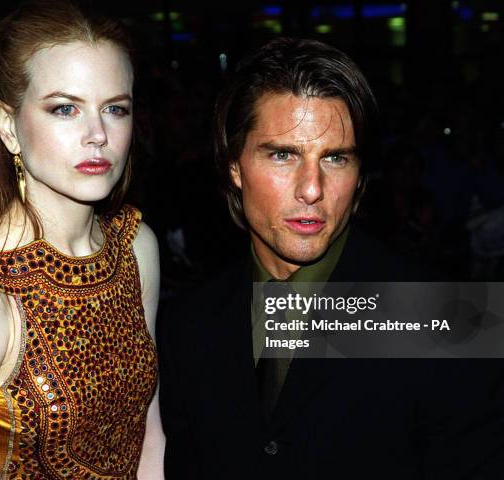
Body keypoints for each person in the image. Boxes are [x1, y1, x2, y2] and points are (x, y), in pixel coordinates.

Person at [157, 38, 504, 479]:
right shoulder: (189, 327)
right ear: (233, 166)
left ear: (360, 175)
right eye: (283, 155)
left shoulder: (450, 321)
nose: (312, 189)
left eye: (335, 158)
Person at [0, 1, 164, 478]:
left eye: (115, 109)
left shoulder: (136, 248)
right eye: (65, 109)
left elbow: (150, 437)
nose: (97, 135)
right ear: (8, 126)